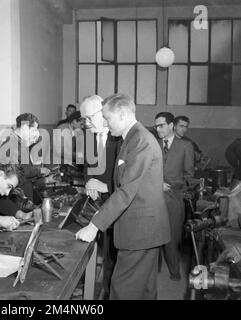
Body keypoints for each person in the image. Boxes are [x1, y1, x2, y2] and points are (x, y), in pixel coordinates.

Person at [76, 93, 170, 300]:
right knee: (144, 291)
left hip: (140, 231)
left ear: (122, 114)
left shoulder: (140, 140)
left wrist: (94, 226)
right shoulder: (131, 138)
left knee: (122, 290)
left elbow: (126, 191)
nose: (107, 124)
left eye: (108, 118)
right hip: (143, 229)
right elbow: (125, 182)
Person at [79, 94, 122, 299]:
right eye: (83, 119)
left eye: (89, 118)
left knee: (114, 256)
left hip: (117, 204)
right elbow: (88, 167)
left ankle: (108, 292)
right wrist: (89, 183)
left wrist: (104, 186)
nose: (86, 124)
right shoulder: (88, 137)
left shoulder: (121, 138)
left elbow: (128, 182)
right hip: (96, 202)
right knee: (102, 251)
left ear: (103, 113)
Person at [155, 112, 194, 281]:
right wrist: (157, 184)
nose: (157, 129)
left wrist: (175, 187)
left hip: (174, 198)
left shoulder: (186, 146)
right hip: (153, 197)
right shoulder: (152, 144)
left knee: (173, 236)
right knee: (152, 235)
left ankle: (174, 270)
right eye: (156, 126)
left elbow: (189, 176)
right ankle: (153, 270)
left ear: (171, 126)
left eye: (161, 125)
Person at [0, 113, 50, 216]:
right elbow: (20, 173)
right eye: (34, 130)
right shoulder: (11, 147)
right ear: (24, 127)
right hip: (14, 204)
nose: (36, 135)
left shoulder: (20, 145)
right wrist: (39, 171)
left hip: (21, 201)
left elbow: (24, 169)